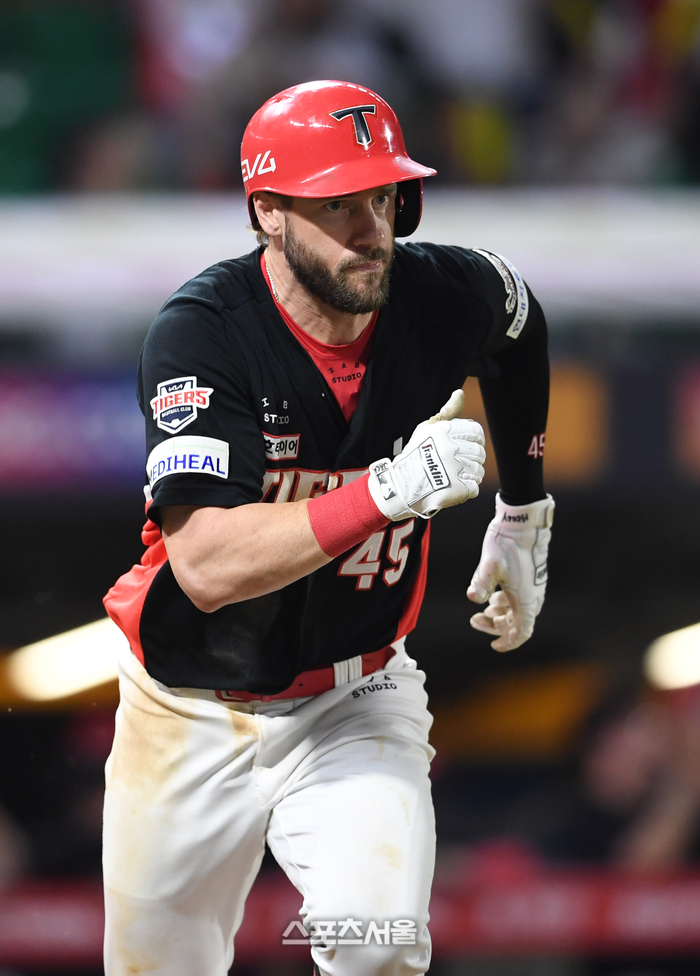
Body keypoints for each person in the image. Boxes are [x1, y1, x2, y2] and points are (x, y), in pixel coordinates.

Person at [102, 79, 554, 976]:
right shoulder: (202, 335)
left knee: (378, 948)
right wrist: (386, 492)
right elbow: (206, 565)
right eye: (336, 204)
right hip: (187, 703)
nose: (370, 228)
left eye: (382, 197)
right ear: (267, 212)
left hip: (356, 696)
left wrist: (524, 509)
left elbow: (519, 318)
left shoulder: (440, 292)